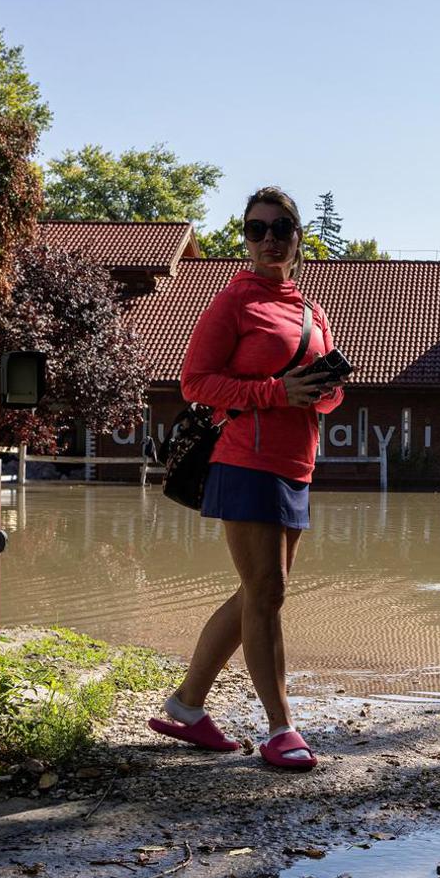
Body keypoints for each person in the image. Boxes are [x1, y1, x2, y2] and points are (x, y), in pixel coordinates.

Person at [149, 186, 344, 770]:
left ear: (297, 237)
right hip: (244, 460)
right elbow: (196, 384)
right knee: (269, 594)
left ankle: (186, 708)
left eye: (280, 227)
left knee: (257, 592)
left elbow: (324, 400)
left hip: (295, 464)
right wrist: (274, 391)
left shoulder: (311, 312)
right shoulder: (232, 303)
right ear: (245, 238)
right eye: (256, 229)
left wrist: (325, 390)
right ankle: (282, 728)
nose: (268, 239)